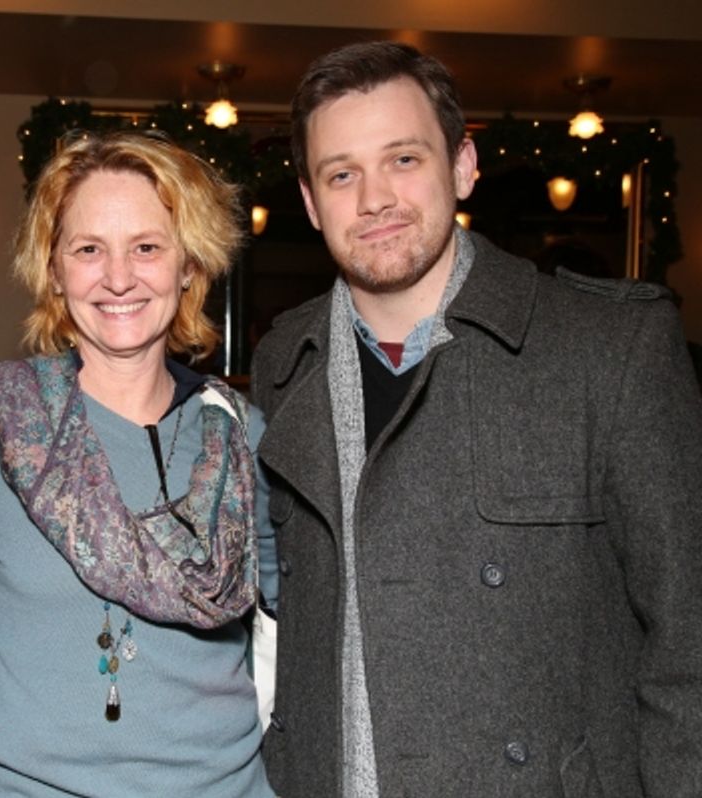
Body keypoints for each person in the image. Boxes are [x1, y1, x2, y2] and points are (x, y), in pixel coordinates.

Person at [251, 41, 702, 797]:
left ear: (462, 165)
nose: (373, 200)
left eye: (403, 159)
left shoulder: (612, 351)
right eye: (341, 174)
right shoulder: (280, 364)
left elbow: (689, 648)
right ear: (309, 200)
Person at [0, 130, 277, 796]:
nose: (117, 278)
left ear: (188, 264)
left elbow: (301, 630)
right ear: (53, 269)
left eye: (147, 247)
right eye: (88, 250)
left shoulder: (243, 439)